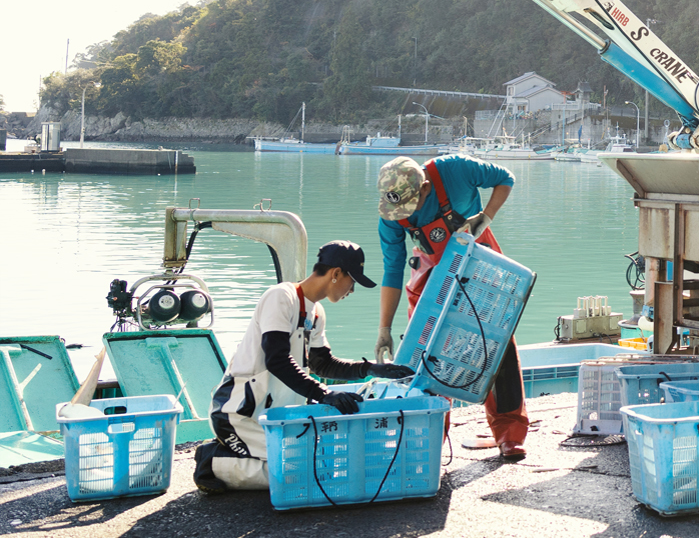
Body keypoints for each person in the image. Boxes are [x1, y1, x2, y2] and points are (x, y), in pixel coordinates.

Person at [193, 241, 411, 492]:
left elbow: (323, 364)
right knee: (299, 472)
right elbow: (277, 360)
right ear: (336, 273)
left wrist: (370, 369)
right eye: (353, 281)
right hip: (239, 412)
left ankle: (241, 452)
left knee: (319, 467)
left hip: (274, 416)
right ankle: (212, 461)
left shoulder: (316, 312)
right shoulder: (281, 297)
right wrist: (324, 393)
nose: (352, 289)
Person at [376, 153, 530, 459]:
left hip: (480, 264)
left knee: (498, 347)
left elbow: (505, 178)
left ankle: (509, 433)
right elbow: (392, 270)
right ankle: (431, 437)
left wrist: (485, 216)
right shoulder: (392, 216)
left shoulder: (455, 168)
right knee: (426, 355)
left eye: (411, 205)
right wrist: (384, 328)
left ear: (424, 187)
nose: (405, 214)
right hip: (431, 276)